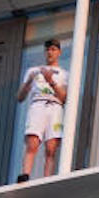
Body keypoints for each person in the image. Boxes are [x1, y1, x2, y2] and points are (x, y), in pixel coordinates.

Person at [15, 38, 68, 182]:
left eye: (53, 49)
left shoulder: (63, 74)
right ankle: (25, 174)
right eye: (48, 50)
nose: (50, 52)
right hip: (37, 105)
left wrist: (51, 81)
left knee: (51, 147)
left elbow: (64, 97)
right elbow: (20, 97)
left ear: (59, 52)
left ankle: (47, 178)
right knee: (32, 142)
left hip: (55, 106)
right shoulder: (33, 71)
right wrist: (28, 82)